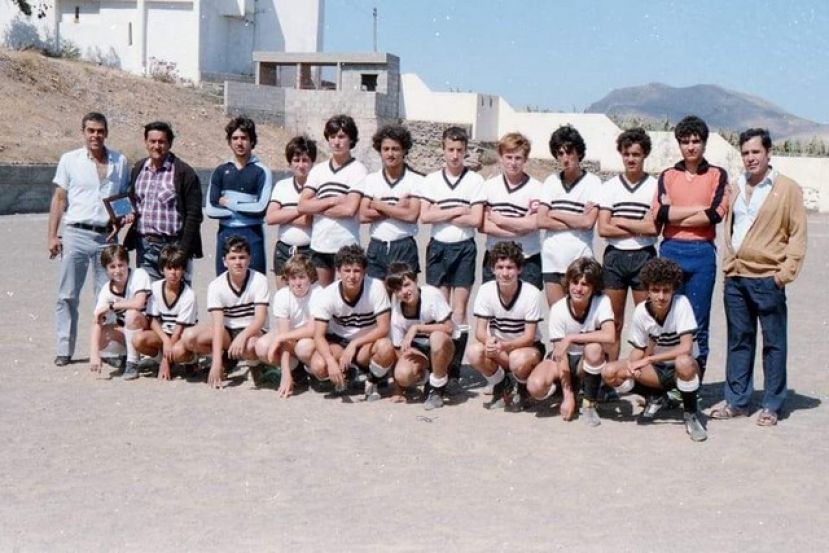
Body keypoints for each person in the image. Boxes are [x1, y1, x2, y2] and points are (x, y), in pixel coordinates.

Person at [711, 128, 807, 427]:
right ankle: (738, 401)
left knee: (774, 343)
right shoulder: (735, 186)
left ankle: (772, 404)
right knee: (739, 340)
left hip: (768, 277)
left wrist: (784, 274)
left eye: (756, 152)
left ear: (768, 154)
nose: (750, 158)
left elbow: (797, 234)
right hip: (736, 277)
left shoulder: (786, 188)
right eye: (746, 153)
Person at [48, 111, 130, 366]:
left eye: (100, 131)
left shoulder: (120, 161)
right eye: (90, 131)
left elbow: (123, 200)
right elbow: (60, 199)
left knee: (108, 296)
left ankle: (109, 351)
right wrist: (52, 235)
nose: (95, 135)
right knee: (67, 294)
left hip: (106, 236)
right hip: (76, 233)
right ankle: (64, 349)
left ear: (106, 132)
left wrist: (122, 221)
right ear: (83, 132)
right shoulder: (69, 160)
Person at [652, 115, 729, 379]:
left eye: (696, 141)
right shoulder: (668, 175)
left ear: (705, 144)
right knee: (667, 317)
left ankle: (694, 382)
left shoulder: (717, 174)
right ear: (679, 145)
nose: (691, 147)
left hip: (702, 253)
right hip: (671, 250)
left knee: (698, 321)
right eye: (685, 142)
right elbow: (660, 213)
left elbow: (716, 213)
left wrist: (677, 212)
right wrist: (698, 209)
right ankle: (665, 385)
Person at [602, 258, 707, 442]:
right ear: (648, 290)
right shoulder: (641, 311)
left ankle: (690, 414)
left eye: (666, 290)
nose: (661, 296)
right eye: (655, 290)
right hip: (657, 371)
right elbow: (638, 348)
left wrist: (649, 360)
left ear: (674, 289)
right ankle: (654, 396)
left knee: (683, 361)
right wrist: (631, 364)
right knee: (610, 372)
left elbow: (686, 347)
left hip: (683, 369)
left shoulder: (681, 304)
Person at [418, 126, 485, 382]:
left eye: (459, 150)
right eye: (450, 150)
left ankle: (454, 368)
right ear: (443, 150)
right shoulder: (432, 180)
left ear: (465, 151)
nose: (455, 155)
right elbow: (425, 216)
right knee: (438, 308)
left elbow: (477, 218)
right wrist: (458, 210)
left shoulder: (475, 181)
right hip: (438, 247)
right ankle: (440, 366)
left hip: (464, 247)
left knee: (459, 310)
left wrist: (442, 211)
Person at [526, 258, 615, 425]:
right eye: (575, 282)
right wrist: (568, 398)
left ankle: (589, 403)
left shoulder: (602, 301)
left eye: (585, 284)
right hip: (564, 359)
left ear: (594, 287)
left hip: (586, 361)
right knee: (535, 387)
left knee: (594, 348)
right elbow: (560, 355)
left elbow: (610, 336)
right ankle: (565, 390)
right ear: (568, 283)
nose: (578, 288)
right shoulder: (559, 309)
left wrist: (572, 337)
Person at [597, 128, 658, 360]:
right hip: (615, 257)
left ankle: (645, 379)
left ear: (645, 155)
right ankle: (610, 374)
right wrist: (637, 224)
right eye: (626, 154)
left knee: (647, 320)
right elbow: (603, 228)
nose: (631, 159)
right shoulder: (610, 187)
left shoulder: (655, 186)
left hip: (644, 255)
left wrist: (619, 220)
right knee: (614, 321)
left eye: (636, 154)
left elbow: (654, 228)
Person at [307, 245, 395, 401]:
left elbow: (383, 327)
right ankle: (349, 374)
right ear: (338, 272)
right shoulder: (328, 295)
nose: (352, 276)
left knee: (386, 347)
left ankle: (373, 380)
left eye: (357, 271)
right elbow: (318, 335)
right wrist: (330, 361)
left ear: (364, 271)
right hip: (339, 341)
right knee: (319, 366)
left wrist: (354, 345)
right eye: (347, 270)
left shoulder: (375, 287)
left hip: (366, 342)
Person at [182, 235, 270, 389]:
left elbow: (260, 318)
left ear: (249, 259)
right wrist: (216, 363)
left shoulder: (259, 280)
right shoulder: (216, 285)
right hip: (227, 332)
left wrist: (242, 336)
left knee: (250, 345)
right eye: (233, 258)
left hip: (252, 330)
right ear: (224, 261)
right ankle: (226, 360)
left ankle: (255, 366)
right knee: (189, 337)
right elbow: (218, 326)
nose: (238, 262)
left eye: (242, 257)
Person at [468, 241, 545, 411]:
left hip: (526, 348)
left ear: (519, 269)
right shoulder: (486, 290)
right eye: (500, 267)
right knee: (474, 352)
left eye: (510, 267)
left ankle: (523, 388)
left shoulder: (531, 293)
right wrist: (489, 341)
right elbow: (480, 330)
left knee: (518, 359)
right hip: (499, 346)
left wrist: (505, 346)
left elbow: (530, 336)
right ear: (493, 269)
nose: (505, 273)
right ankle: (502, 384)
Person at [124, 121, 203, 282]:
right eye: (152, 141)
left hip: (174, 247)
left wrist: (183, 251)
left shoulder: (184, 173)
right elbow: (133, 201)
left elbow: (194, 215)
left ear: (169, 144)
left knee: (176, 299)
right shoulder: (138, 169)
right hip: (145, 247)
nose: (157, 146)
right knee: (147, 297)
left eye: (162, 142)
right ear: (146, 142)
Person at [298, 114, 367, 286]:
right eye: (332, 137)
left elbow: (349, 210)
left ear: (351, 139)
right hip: (320, 245)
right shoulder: (318, 170)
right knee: (322, 299)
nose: (336, 142)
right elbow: (302, 205)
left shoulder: (358, 170)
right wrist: (332, 201)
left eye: (342, 136)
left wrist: (317, 205)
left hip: (346, 247)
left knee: (346, 301)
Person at [538, 124, 601, 307]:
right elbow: (541, 220)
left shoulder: (593, 183)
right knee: (558, 319)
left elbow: (588, 222)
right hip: (552, 260)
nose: (565, 158)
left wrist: (555, 212)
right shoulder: (551, 181)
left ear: (579, 152)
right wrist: (576, 219)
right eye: (560, 153)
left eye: (569, 151)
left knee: (580, 320)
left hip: (580, 261)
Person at [205, 117, 273, 275]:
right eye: (235, 138)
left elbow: (261, 208)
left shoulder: (262, 171)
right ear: (229, 141)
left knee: (256, 285)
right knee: (224, 283)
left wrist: (230, 203)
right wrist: (247, 204)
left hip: (252, 233)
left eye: (244, 138)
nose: (239, 142)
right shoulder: (220, 170)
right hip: (226, 232)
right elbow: (211, 209)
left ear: (252, 141)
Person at [384, 262, 455, 410]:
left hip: (445, 346)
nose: (404, 292)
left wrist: (416, 328)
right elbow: (397, 350)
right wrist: (399, 390)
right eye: (397, 290)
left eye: (406, 284)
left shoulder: (431, 294)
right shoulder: (397, 311)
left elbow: (449, 328)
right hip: (421, 351)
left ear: (416, 280)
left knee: (436, 338)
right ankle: (427, 377)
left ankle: (437, 389)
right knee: (402, 374)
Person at [359, 124, 423, 279]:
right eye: (385, 149)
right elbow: (362, 215)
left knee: (405, 299)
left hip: (404, 246)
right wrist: (396, 209)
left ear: (404, 151)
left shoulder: (416, 180)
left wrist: (379, 205)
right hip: (377, 246)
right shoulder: (371, 180)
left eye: (395, 149)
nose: (390, 153)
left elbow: (411, 216)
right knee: (378, 300)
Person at [480, 132, 543, 289]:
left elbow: (534, 223)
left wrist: (501, 220)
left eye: (518, 158)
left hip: (527, 258)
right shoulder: (488, 186)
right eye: (509, 157)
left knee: (528, 310)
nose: (513, 163)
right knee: (491, 308)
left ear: (525, 160)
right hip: (495, 259)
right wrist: (519, 229)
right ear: (501, 157)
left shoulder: (537, 188)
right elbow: (484, 226)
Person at [254, 255, 321, 398]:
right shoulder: (282, 295)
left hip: (309, 336)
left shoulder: (318, 293)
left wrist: (280, 337)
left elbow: (311, 329)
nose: (297, 283)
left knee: (304, 347)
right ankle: (296, 372)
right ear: (287, 280)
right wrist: (285, 373)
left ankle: (312, 371)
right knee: (262, 346)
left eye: (302, 277)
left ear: (310, 277)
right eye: (293, 278)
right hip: (289, 334)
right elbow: (284, 336)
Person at [132, 245, 198, 380]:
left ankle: (191, 360)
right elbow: (153, 319)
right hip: (164, 334)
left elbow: (180, 328)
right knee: (138, 340)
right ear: (162, 270)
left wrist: (166, 362)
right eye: (169, 268)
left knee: (178, 352)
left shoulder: (189, 294)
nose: (173, 273)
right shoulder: (155, 288)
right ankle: (161, 358)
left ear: (183, 270)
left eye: (177, 268)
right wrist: (165, 341)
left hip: (181, 336)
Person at [88, 244, 152, 380]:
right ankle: (124, 356)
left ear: (127, 263)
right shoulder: (106, 289)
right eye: (112, 267)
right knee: (99, 336)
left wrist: (112, 306)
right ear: (105, 269)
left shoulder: (139, 274)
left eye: (121, 265)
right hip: (128, 331)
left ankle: (132, 362)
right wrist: (94, 354)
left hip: (149, 330)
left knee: (131, 314)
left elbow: (139, 303)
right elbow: (97, 320)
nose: (117, 270)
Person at [266, 136, 315, 289]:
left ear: (312, 162)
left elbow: (310, 221)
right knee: (283, 299)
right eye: (296, 160)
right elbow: (271, 217)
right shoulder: (282, 186)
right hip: (284, 249)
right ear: (290, 162)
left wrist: (284, 214)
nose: (301, 165)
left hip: (309, 250)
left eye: (305, 160)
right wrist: (300, 210)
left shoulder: (317, 187)